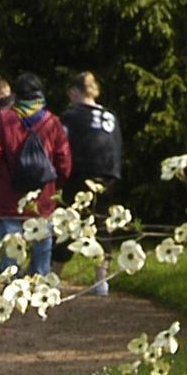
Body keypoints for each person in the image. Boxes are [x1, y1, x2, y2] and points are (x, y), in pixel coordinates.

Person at [0, 71, 72, 277]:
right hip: (42, 197)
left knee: (11, 253)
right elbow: (64, 162)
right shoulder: (53, 122)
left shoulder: (4, 119)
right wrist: (53, 185)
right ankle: (39, 292)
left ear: (17, 95)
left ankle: (11, 296)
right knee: (42, 253)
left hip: (9, 195)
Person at [63, 71, 124, 294]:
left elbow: (63, 145)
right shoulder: (110, 116)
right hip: (109, 174)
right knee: (101, 224)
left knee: (69, 223)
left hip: (82, 174)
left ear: (75, 92)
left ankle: (54, 275)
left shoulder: (71, 116)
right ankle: (101, 282)